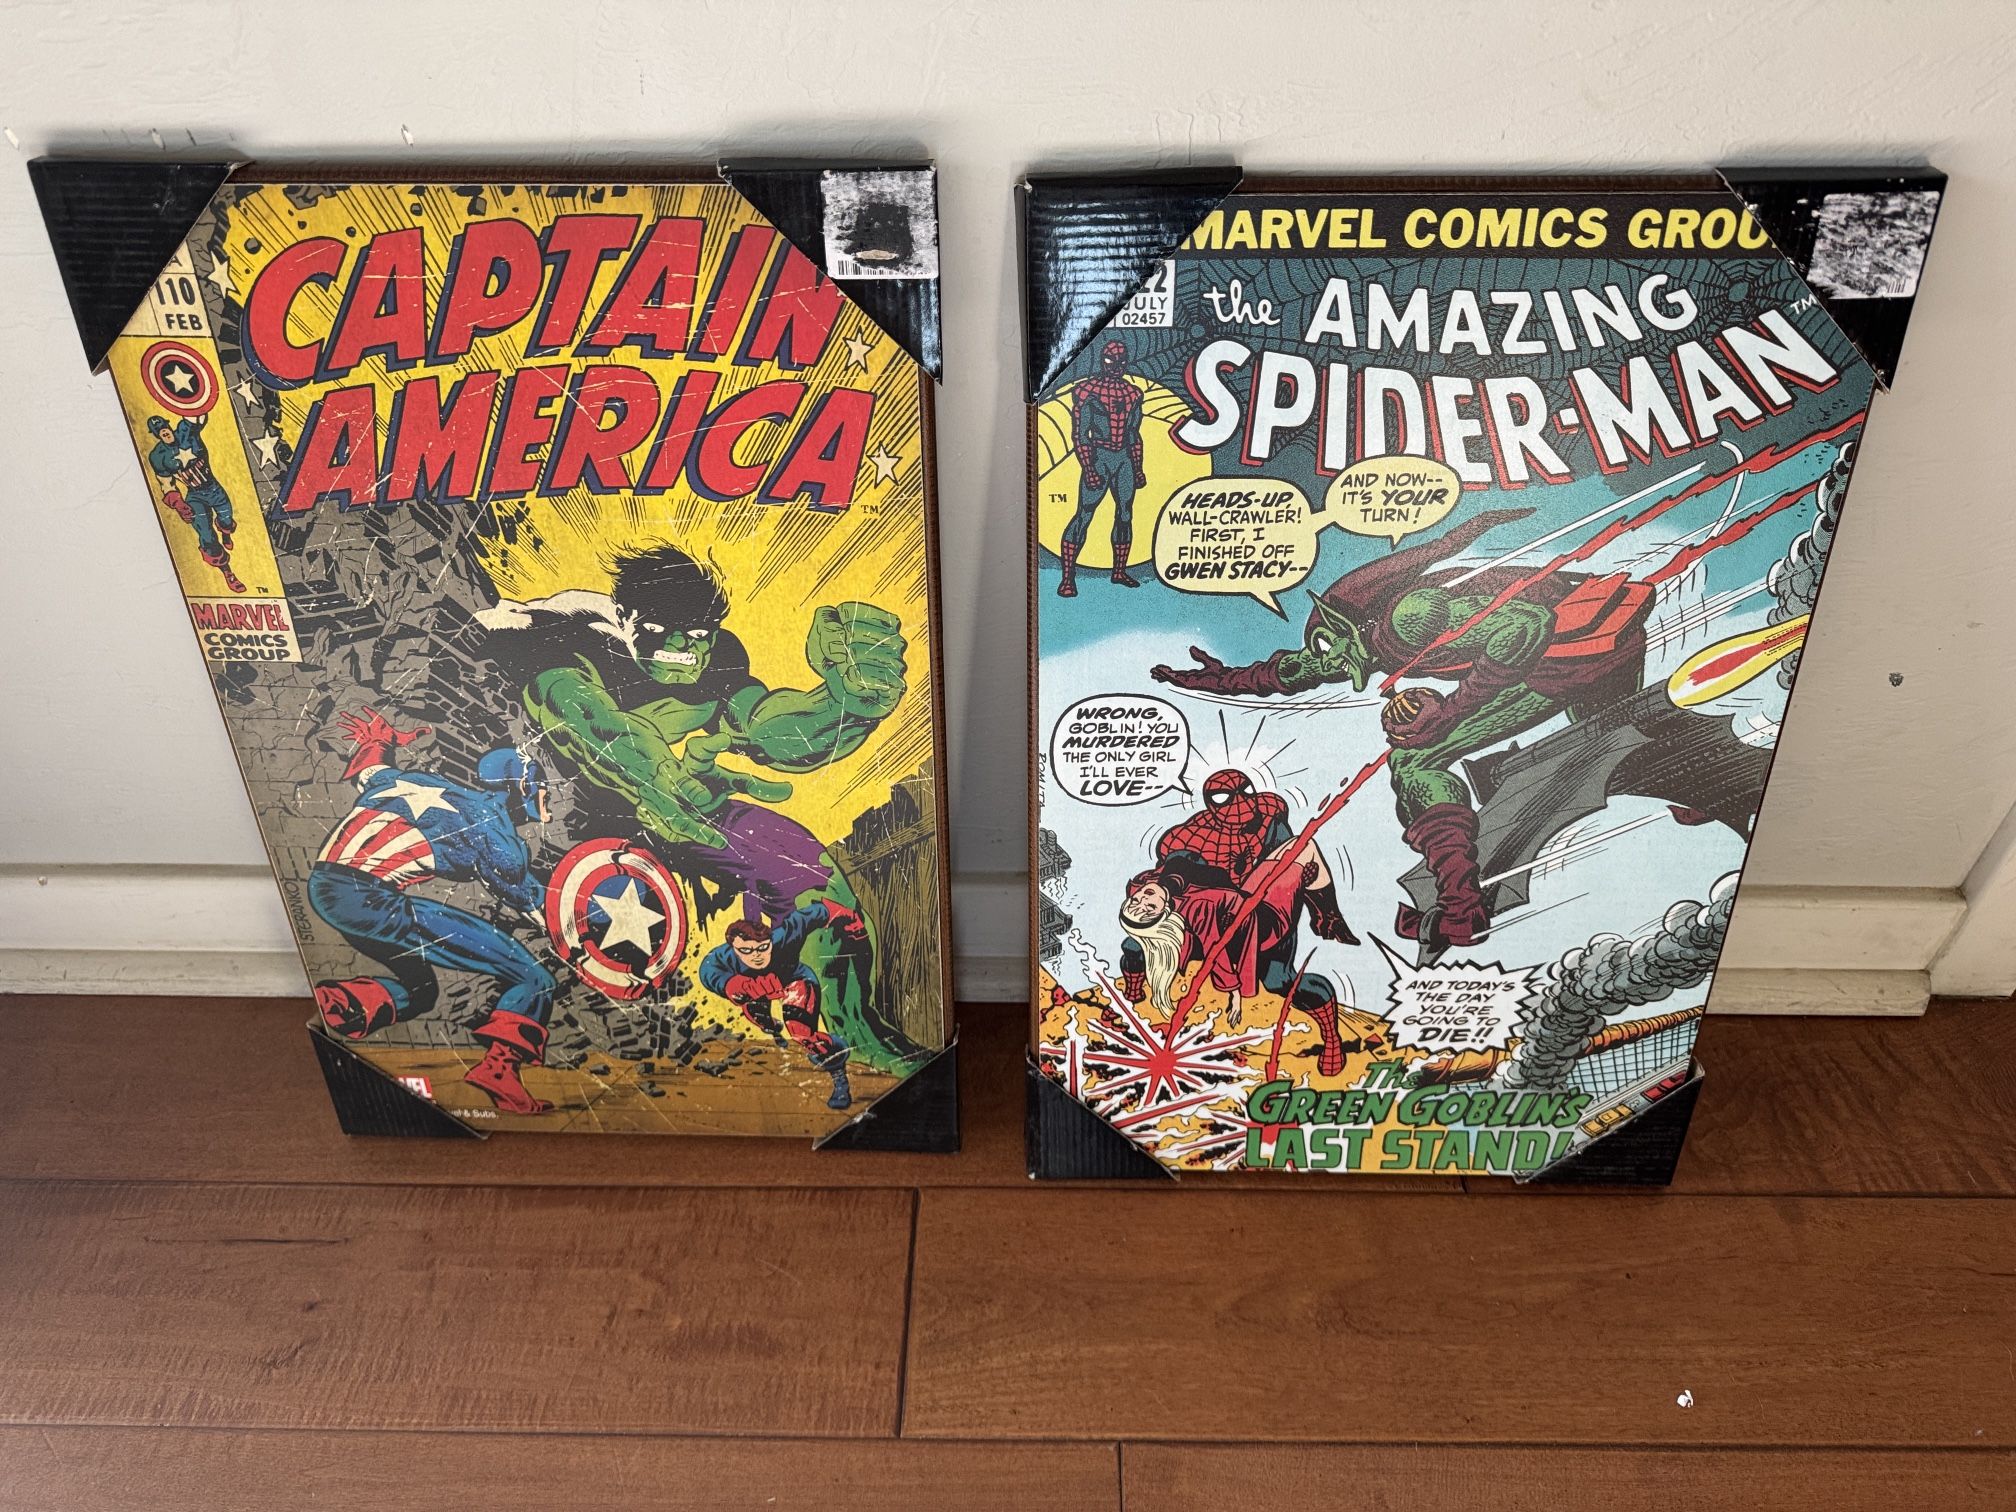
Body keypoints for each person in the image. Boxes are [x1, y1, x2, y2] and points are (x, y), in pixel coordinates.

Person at [308, 709, 558, 1115]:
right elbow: (537, 907)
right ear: (523, 787)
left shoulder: (407, 780)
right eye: (541, 787)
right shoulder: (492, 828)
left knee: (421, 993)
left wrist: (384, 739)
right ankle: (498, 1071)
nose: (546, 796)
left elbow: (371, 767)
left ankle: (342, 1002)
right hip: (373, 901)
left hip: (325, 887)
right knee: (535, 979)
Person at [698, 901, 868, 1110]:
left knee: (803, 1034)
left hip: (794, 982)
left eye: (763, 947)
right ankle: (770, 1024)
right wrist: (733, 986)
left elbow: (816, 913)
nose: (756, 956)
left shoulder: (786, 936)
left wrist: (851, 918)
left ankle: (839, 1076)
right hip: (754, 991)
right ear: (734, 948)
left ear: (771, 941)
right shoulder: (723, 956)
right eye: (746, 950)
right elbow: (707, 970)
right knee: (755, 1013)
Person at [1059, 338, 1146, 597]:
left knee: (1125, 514)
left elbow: (1134, 434)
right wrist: (1088, 468)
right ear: (1102, 361)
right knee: (1084, 514)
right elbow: (1080, 435)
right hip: (1098, 456)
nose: (1116, 366)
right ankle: (1067, 578)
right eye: (1110, 360)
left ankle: (1119, 571)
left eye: (1121, 361)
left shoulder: (1133, 394)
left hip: (1124, 459)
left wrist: (1137, 467)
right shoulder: (1087, 391)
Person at [145, 413, 243, 593]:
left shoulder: (186, 431)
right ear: (156, 434)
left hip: (214, 489)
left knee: (226, 518)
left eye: (164, 427)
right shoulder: (158, 456)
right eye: (158, 431)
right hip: (195, 496)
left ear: (169, 425)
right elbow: (166, 483)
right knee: (206, 535)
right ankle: (227, 572)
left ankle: (226, 533)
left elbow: (198, 412)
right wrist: (178, 503)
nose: (163, 432)